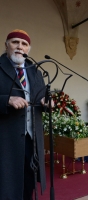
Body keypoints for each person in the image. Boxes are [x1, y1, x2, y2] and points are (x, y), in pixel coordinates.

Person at [0, 29, 52, 199]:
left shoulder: (35, 71)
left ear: (29, 48)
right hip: (6, 139)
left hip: (32, 138)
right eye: (15, 42)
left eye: (24, 44)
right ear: (6, 45)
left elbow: (42, 96)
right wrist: (6, 100)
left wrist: (47, 102)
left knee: (28, 182)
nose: (19, 47)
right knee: (6, 184)